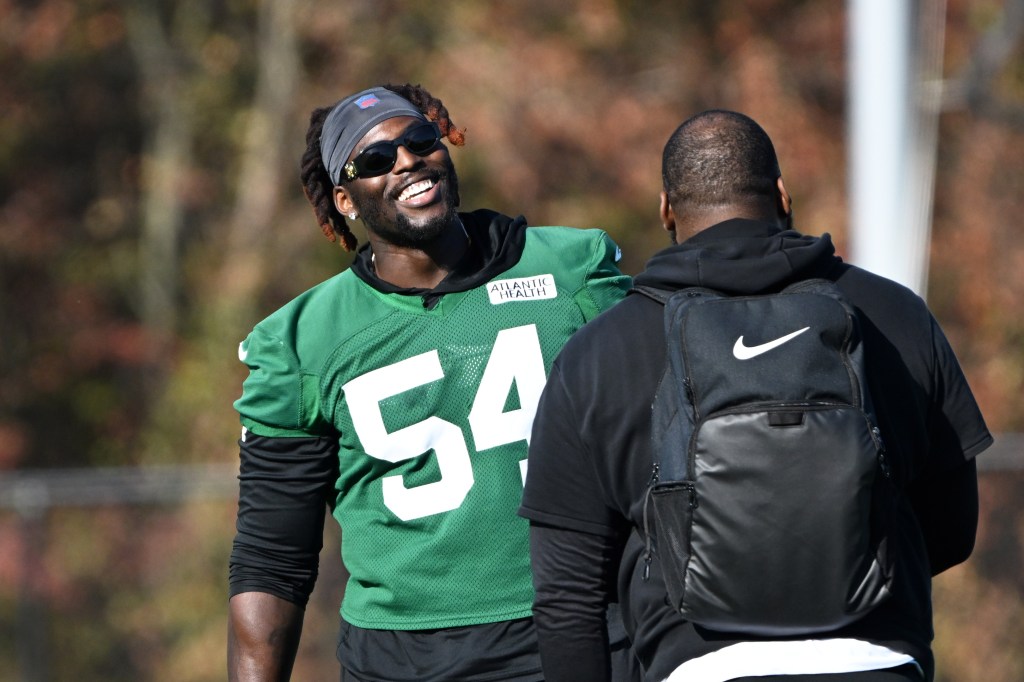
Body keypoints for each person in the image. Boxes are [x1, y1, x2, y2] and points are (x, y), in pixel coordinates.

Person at [520, 110, 993, 682]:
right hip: (877, 660)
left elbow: (567, 595)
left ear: (667, 209)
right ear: (782, 195)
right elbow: (953, 526)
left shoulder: (600, 353)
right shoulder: (894, 314)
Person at [226, 83, 636, 681]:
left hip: (583, 630)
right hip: (404, 660)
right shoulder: (303, 343)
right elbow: (272, 560)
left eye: (419, 140)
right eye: (375, 160)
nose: (407, 160)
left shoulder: (571, 271)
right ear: (344, 199)